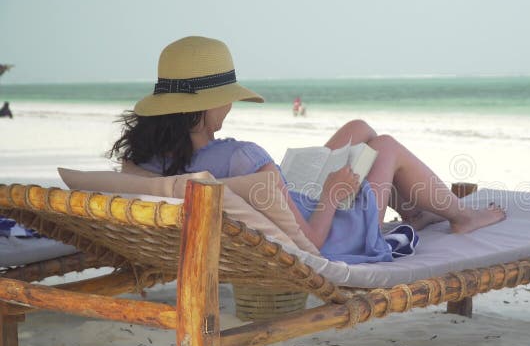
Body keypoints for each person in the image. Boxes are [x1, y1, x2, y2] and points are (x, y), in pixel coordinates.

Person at [109, 36, 505, 264]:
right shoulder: (243, 156)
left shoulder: (143, 160)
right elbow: (311, 243)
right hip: (333, 232)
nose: (229, 105)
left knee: (359, 129)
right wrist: (333, 192)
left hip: (278, 206)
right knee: (384, 146)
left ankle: (415, 211)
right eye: (226, 97)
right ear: (207, 103)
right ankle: (462, 217)